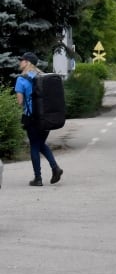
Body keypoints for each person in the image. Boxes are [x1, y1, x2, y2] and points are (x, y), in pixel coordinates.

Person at [15, 52, 64, 187]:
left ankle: (38, 178)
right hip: (46, 117)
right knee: (41, 144)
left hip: (31, 118)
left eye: (22, 60)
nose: (20, 63)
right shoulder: (42, 76)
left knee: (35, 146)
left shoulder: (21, 79)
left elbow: (19, 102)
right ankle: (55, 168)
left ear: (27, 63)